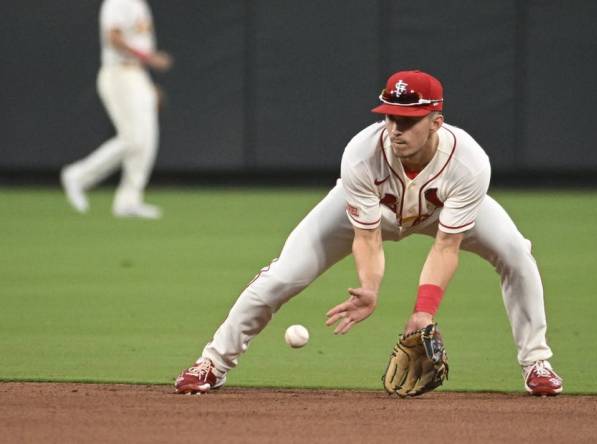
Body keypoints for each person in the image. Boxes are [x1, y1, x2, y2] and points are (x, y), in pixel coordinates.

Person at [175, 70, 563, 396]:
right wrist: (370, 288)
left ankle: (536, 364)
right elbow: (367, 237)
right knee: (284, 275)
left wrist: (424, 310)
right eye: (391, 117)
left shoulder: (469, 163)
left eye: (408, 121)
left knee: (516, 253)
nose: (396, 129)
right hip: (371, 210)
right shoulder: (361, 154)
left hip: (439, 211)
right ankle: (213, 362)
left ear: (436, 121)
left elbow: (447, 246)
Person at [60, 0, 171, 219]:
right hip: (119, 73)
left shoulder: (139, 4)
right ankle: (78, 176)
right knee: (133, 139)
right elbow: (113, 38)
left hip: (137, 74)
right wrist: (149, 59)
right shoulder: (118, 2)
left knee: (147, 141)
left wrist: (146, 82)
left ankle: (128, 201)